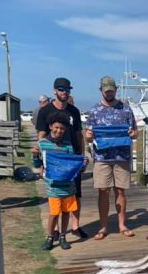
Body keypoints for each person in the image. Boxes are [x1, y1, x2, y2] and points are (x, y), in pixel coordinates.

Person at [85, 76, 138, 240]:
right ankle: (103, 227)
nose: (109, 93)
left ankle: (122, 224)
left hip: (122, 157)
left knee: (120, 191)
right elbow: (88, 136)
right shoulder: (94, 111)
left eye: (112, 90)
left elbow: (135, 132)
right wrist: (88, 136)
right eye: (106, 90)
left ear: (116, 90)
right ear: (101, 91)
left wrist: (132, 133)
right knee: (103, 191)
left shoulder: (126, 109)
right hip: (102, 157)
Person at [36, 78, 87, 239]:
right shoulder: (45, 111)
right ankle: (56, 231)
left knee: (75, 194)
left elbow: (79, 134)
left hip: (71, 157)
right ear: (54, 91)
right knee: (56, 197)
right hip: (52, 159)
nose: (64, 92)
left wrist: (81, 154)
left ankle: (75, 226)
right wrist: (40, 163)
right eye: (61, 89)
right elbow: (41, 136)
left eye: (67, 90)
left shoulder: (74, 111)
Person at [34, 111, 85, 251]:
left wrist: (82, 164)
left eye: (62, 128)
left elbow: (72, 166)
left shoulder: (68, 145)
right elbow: (37, 165)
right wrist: (34, 156)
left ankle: (63, 236)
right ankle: (49, 237)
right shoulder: (42, 144)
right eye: (56, 127)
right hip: (53, 186)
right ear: (50, 126)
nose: (59, 131)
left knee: (66, 212)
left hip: (68, 186)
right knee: (54, 213)